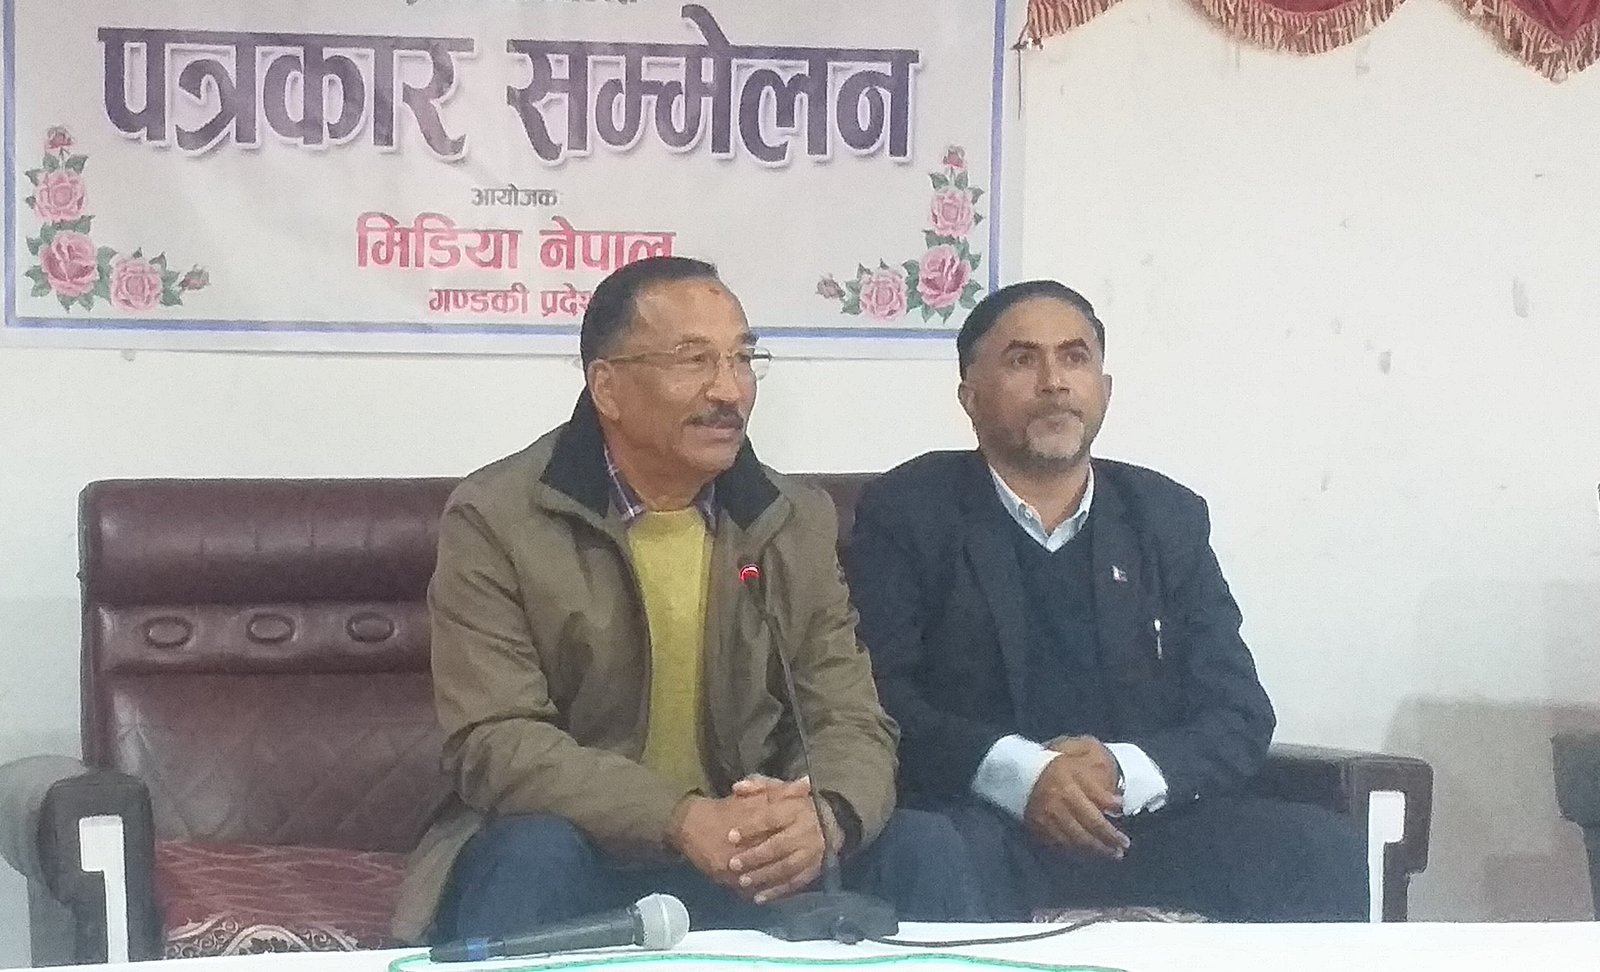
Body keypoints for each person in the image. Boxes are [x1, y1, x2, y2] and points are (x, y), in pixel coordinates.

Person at [392, 256, 982, 944]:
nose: (729, 390)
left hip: (753, 860)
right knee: (532, 857)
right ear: (607, 387)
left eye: (742, 359)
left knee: (925, 848)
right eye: (693, 360)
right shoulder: (499, 517)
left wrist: (824, 814)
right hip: (592, 849)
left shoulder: (792, 519)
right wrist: (677, 817)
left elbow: (848, 715)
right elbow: (494, 740)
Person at [845, 279, 1366, 922]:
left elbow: (1239, 713)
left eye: (1074, 357)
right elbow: (879, 699)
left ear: (1105, 389)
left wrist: (1123, 771)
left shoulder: (1165, 516)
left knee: (1318, 850)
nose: (1053, 383)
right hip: (982, 821)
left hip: (1138, 823)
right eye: (1022, 360)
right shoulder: (910, 510)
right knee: (927, 850)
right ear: (970, 397)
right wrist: (1024, 775)